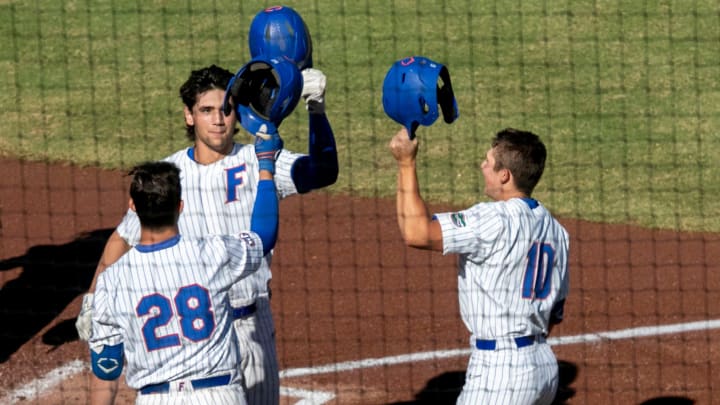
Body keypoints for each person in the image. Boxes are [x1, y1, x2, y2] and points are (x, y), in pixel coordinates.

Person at [77, 62, 337, 405]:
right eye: (207, 110)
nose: (218, 119)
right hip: (193, 336)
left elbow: (323, 171)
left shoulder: (260, 158)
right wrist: (93, 299)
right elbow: (123, 238)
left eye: (226, 110)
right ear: (189, 116)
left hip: (251, 324)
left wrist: (316, 109)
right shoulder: (170, 177)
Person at [89, 141, 281, 404]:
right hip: (219, 397)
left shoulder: (111, 281)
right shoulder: (212, 254)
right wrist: (266, 168)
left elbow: (105, 371)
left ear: (133, 206)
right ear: (180, 207)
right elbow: (264, 235)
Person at [389, 127, 570, 405]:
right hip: (543, 366)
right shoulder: (557, 231)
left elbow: (416, 232)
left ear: (505, 175)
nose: (482, 165)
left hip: (500, 373)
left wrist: (405, 163)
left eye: (488, 161)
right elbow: (555, 314)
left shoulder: (492, 219)